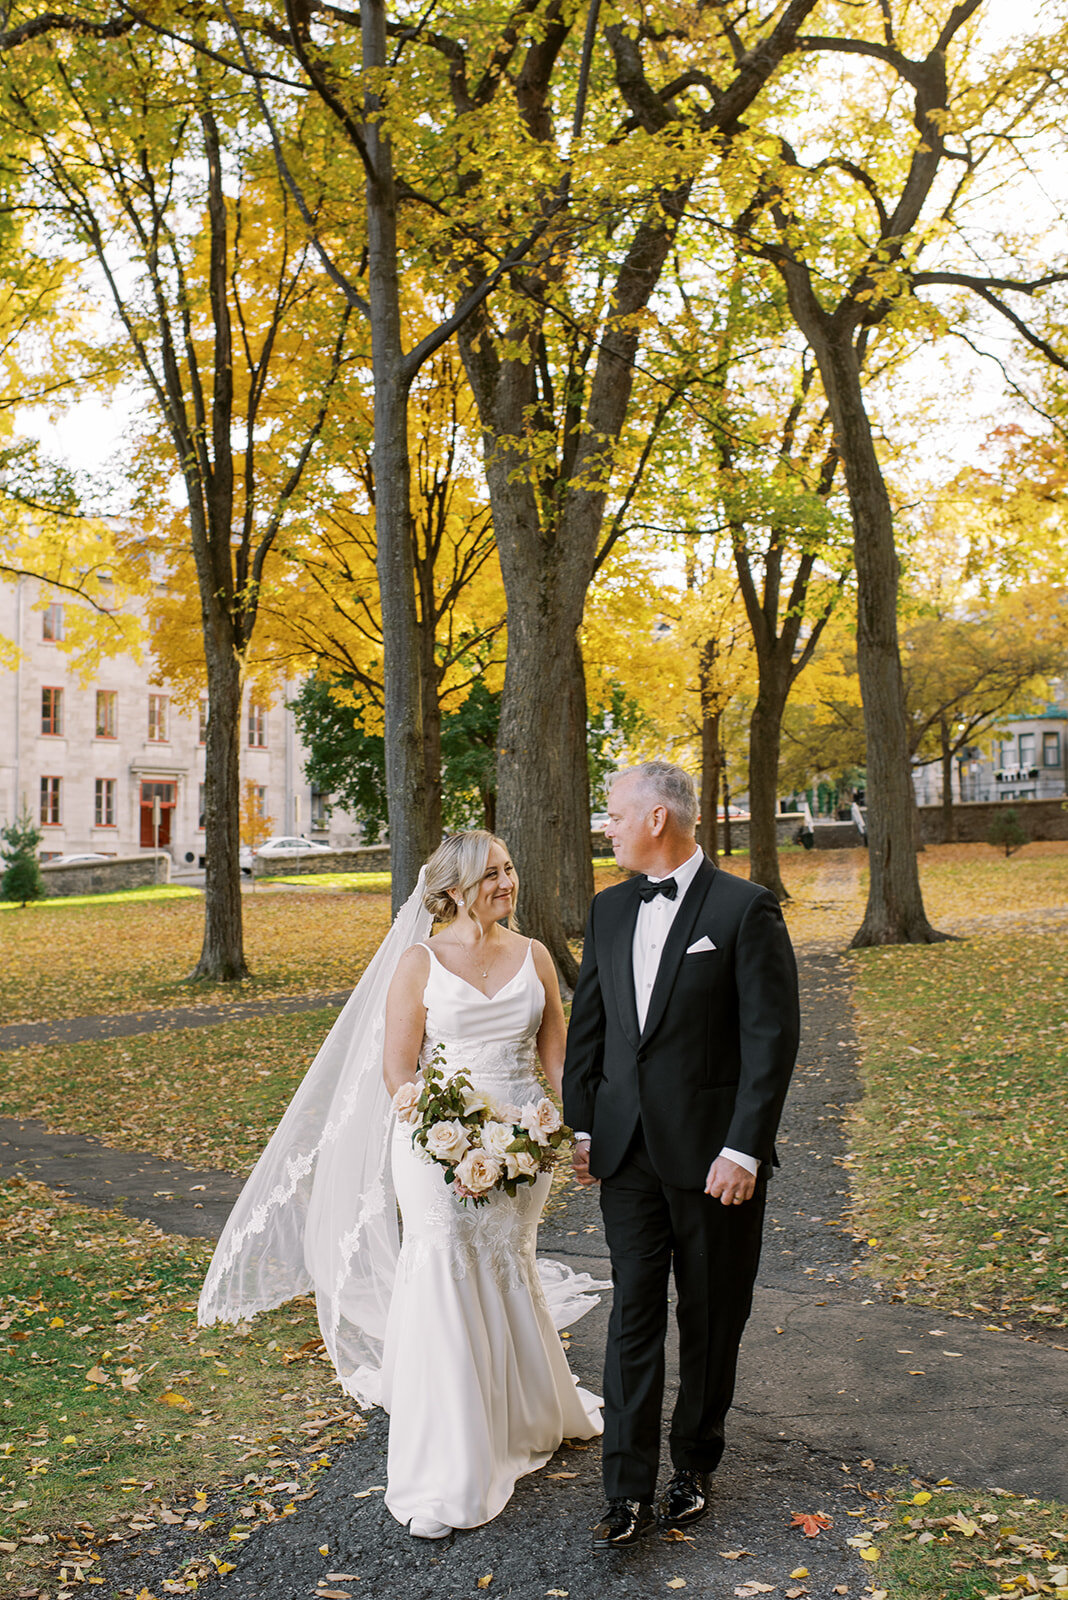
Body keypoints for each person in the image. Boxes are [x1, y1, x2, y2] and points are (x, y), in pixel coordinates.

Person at [198, 830, 603, 1543]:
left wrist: (572, 1127)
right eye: (491, 875)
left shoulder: (535, 954)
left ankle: (527, 1410)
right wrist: (454, 1128)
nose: (507, 884)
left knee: (507, 1266)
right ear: (452, 890)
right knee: (443, 1267)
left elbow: (557, 1054)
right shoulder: (418, 963)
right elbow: (397, 1071)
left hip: (523, 1140)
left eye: (510, 869)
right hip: (438, 1143)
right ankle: (450, 1455)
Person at [562, 762, 799, 1550]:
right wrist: (585, 1127)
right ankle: (625, 1489)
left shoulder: (744, 909)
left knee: (708, 1316)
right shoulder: (605, 911)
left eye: (615, 813)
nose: (607, 825)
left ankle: (693, 1466)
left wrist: (745, 1148)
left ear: (658, 818)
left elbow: (771, 1041)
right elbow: (589, 1027)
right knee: (633, 1314)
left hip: (713, 1163)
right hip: (625, 1154)